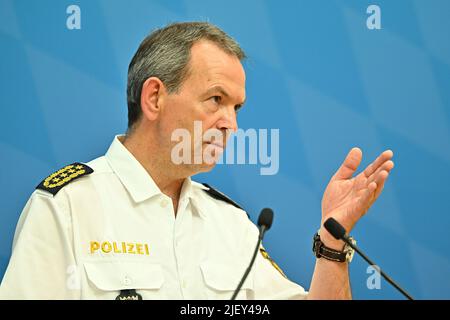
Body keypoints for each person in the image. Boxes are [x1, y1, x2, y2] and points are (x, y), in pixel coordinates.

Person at [0, 22, 394, 300]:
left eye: (237, 107)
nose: (231, 125)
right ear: (154, 97)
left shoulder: (231, 224)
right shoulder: (67, 206)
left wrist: (331, 240)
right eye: (216, 100)